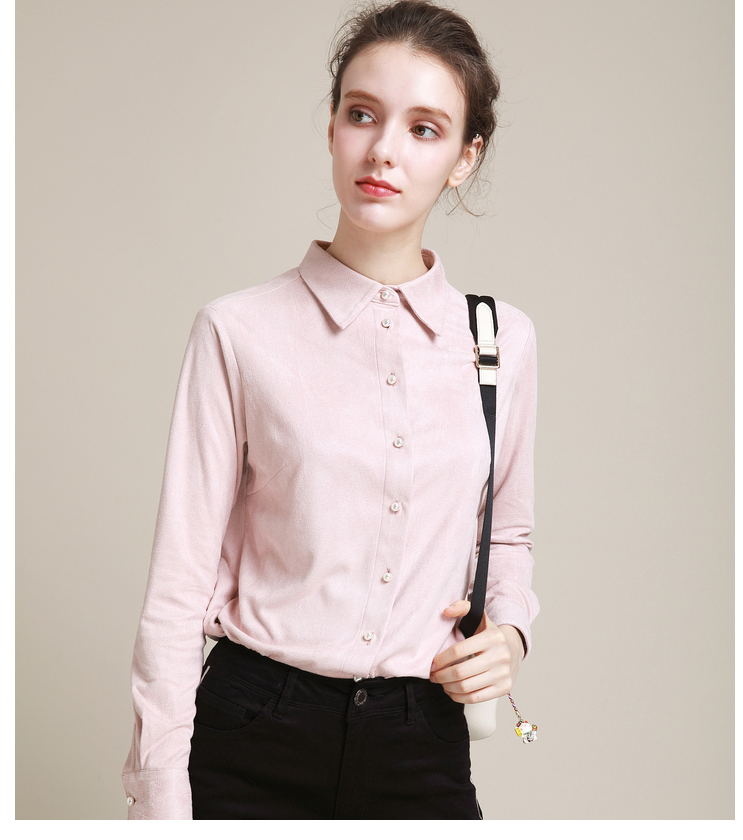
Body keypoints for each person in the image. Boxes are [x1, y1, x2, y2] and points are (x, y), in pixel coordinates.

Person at [122, 0, 539, 820]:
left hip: (421, 736)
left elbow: (508, 533)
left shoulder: (502, 341)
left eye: (425, 128)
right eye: (362, 114)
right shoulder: (237, 331)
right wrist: (161, 797)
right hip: (253, 731)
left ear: (465, 157)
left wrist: (511, 634)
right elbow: (176, 587)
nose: (383, 150)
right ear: (332, 129)